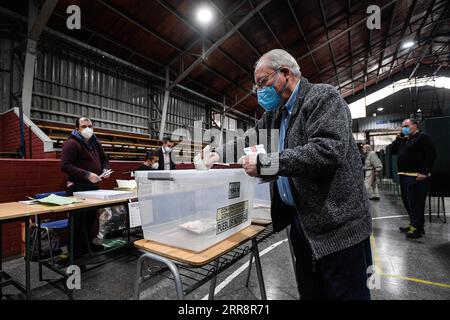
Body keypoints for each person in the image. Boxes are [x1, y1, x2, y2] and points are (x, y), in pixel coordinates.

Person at [201, 49, 372, 300]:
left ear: (285, 73)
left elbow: (327, 151)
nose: (259, 91)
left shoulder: (323, 98)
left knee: (345, 294)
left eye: (263, 82)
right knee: (310, 292)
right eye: (257, 85)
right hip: (303, 222)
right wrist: (217, 154)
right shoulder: (275, 115)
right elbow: (249, 139)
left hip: (338, 226)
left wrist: (266, 163)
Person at [61, 117, 111, 255]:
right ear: (77, 128)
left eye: (90, 126)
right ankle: (75, 254)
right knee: (77, 223)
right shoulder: (71, 143)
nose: (87, 129)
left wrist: (105, 170)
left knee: (90, 220)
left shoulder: (95, 143)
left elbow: (104, 159)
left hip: (92, 188)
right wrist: (87, 174)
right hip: (77, 188)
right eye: (84, 126)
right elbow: (65, 166)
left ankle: (88, 246)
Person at [390, 118, 436, 239]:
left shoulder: (423, 137)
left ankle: (418, 228)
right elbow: (393, 151)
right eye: (402, 126)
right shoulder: (405, 140)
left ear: (415, 125)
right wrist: (398, 138)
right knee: (408, 203)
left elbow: (431, 154)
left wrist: (425, 172)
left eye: (406, 125)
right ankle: (413, 223)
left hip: (416, 176)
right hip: (404, 176)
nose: (403, 128)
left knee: (416, 203)